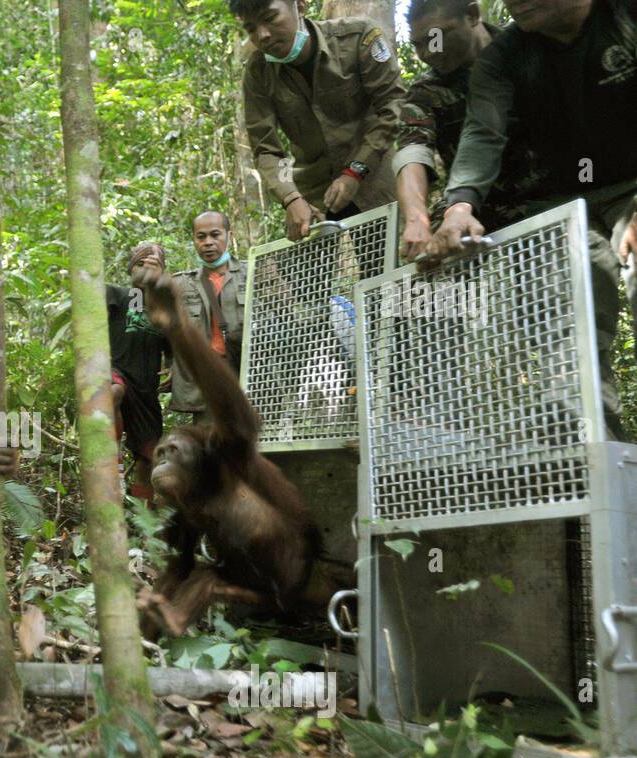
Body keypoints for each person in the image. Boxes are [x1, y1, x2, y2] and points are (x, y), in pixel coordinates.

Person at [426, 0, 637, 440]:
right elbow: (483, 131)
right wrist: (460, 206)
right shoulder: (503, 56)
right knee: (566, 335)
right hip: (563, 201)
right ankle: (602, 479)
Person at [229, 0, 406, 243]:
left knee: (382, 273)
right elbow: (266, 149)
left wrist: (355, 171)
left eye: (270, 18)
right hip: (312, 192)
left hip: (373, 180)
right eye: (251, 29)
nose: (263, 35)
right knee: (309, 277)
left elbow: (392, 106)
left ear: (300, 6)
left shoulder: (359, 37)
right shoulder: (258, 72)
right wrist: (291, 198)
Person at [394, 0, 545, 261]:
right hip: (472, 206)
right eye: (418, 44)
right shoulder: (426, 92)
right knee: (429, 258)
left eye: (436, 37)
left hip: (546, 193)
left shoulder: (526, 47)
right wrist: (416, 219)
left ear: (472, 15)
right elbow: (413, 151)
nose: (428, 52)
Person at [170, 211, 248, 424]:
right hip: (206, 379)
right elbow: (147, 321)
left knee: (255, 442)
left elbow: (284, 315)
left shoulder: (253, 274)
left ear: (229, 236)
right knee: (211, 445)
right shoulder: (181, 284)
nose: (208, 242)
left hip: (247, 373)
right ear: (194, 240)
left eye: (215, 235)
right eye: (201, 237)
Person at [108, 243, 172, 504]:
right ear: (130, 269)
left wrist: (173, 367)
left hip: (147, 389)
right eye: (140, 264)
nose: (146, 270)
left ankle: (143, 518)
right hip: (116, 371)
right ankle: (112, 463)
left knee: (149, 458)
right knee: (113, 392)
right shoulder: (118, 295)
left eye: (153, 265)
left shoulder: (163, 310)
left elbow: (173, 347)